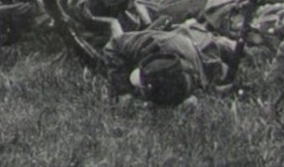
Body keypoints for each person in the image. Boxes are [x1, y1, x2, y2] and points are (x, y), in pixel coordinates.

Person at [100, 18, 237, 108]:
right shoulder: (152, 43)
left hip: (198, 42)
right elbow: (113, 46)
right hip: (177, 35)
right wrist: (123, 90)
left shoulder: (206, 76)